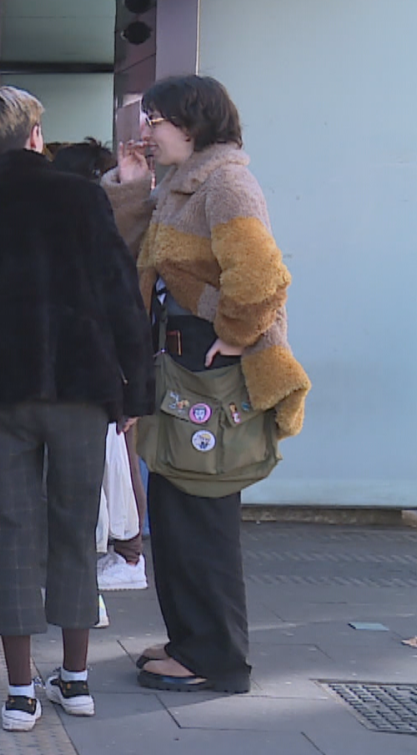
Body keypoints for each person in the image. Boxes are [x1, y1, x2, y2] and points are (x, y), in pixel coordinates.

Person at [0, 87, 152, 732]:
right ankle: (75, 682)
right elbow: (119, 296)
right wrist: (133, 391)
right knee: (78, 528)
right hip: (79, 392)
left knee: (12, 535)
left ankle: (20, 692)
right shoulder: (82, 199)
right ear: (34, 135)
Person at [103, 75, 310, 695]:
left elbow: (262, 273)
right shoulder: (184, 183)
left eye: (156, 120)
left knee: (201, 516)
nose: (147, 131)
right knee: (175, 510)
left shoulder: (227, 183)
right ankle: (191, 640)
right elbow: (136, 251)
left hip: (208, 369)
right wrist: (133, 185)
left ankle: (217, 658)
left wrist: (239, 333)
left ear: (192, 126)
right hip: (184, 366)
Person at [52, 139, 148, 591]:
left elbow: (121, 293)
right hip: (107, 358)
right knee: (113, 462)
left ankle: (128, 554)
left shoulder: (104, 216)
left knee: (118, 463)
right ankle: (123, 551)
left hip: (107, 359)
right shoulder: (102, 215)